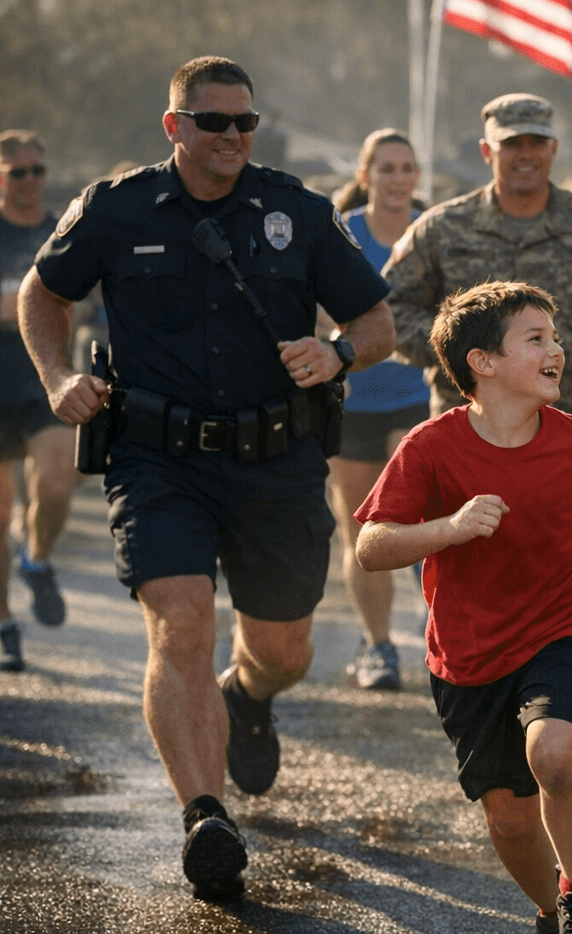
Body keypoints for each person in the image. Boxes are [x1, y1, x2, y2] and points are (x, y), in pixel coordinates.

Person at [17, 56, 396, 900]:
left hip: (277, 463)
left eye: (244, 123)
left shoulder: (296, 210)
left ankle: (249, 694)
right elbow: (44, 295)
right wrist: (54, 379)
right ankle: (206, 819)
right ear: (174, 125)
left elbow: (377, 322)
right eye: (213, 121)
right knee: (180, 624)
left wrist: (333, 351)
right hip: (156, 462)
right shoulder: (114, 208)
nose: (231, 137)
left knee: (283, 651)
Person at [354, 280, 572, 934]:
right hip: (469, 654)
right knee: (509, 817)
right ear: (482, 363)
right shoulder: (430, 446)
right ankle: (550, 911)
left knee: (553, 754)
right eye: (536, 339)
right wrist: (448, 529)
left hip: (567, 625)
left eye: (555, 337)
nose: (558, 349)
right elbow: (371, 546)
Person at [384, 94, 572, 576]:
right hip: (471, 426)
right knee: (469, 557)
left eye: (537, 141)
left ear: (554, 149)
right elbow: (389, 311)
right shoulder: (442, 227)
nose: (526, 153)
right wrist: (459, 350)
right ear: (487, 152)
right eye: (512, 143)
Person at [327, 128, 432, 690]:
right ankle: (378, 646)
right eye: (386, 169)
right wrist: (329, 348)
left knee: (414, 514)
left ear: (417, 176)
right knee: (361, 530)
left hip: (417, 395)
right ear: (365, 176)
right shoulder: (343, 234)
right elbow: (314, 306)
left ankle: (433, 603)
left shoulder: (431, 232)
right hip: (351, 398)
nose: (397, 179)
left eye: (406, 168)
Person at [0, 130, 78, 672]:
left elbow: (78, 300)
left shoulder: (61, 231)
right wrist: (28, 304)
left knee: (55, 480)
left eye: (37, 171)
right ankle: (5, 625)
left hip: (43, 381)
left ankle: (38, 558)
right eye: (16, 172)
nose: (29, 182)